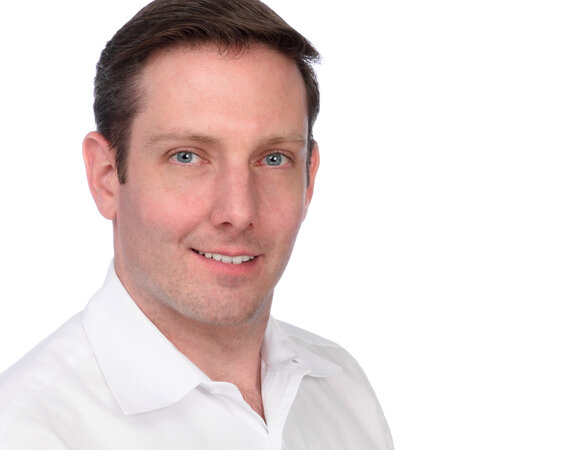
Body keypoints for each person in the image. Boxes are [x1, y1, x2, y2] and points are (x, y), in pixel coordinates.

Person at [0, 0, 393, 448]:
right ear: (106, 176)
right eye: (186, 156)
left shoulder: (343, 390)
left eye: (273, 158)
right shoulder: (27, 432)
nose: (238, 212)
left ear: (309, 178)